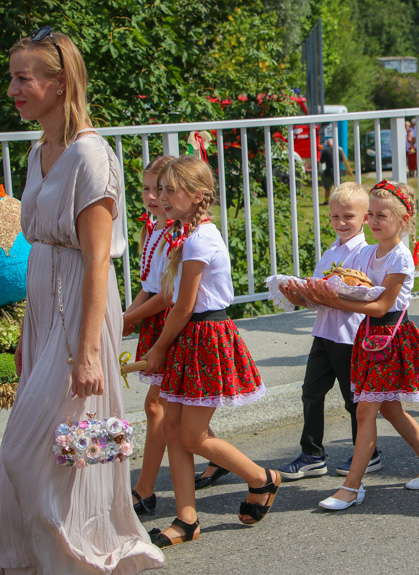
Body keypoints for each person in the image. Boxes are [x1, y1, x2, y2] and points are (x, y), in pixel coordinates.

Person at [0, 27, 165, 572]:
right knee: (52, 452)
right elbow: (40, 254)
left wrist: (91, 351)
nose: (13, 89)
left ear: (59, 81)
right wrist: (28, 334)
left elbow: (96, 261)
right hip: (47, 310)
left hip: (81, 312)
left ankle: (91, 556)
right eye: (12, 77)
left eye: (23, 78)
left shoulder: (91, 156)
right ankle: (53, 559)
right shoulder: (38, 151)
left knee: (46, 452)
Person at [143, 156, 279, 548]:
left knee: (193, 436)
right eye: (161, 189)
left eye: (172, 189)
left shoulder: (200, 238)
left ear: (199, 194)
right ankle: (186, 519)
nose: (163, 197)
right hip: (191, 336)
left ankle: (261, 477)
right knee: (173, 428)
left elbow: (183, 305)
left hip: (205, 335)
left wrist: (157, 348)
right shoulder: (187, 234)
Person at [294, 180, 419, 510]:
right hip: (368, 336)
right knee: (389, 408)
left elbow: (380, 306)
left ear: (403, 221)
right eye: (372, 214)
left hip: (391, 337)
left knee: (365, 412)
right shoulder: (366, 251)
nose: (374, 221)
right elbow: (354, 286)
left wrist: (336, 300)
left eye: (383, 215)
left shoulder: (401, 258)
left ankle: (351, 487)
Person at [277, 182, 383, 479]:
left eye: (348, 216)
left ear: (365, 218)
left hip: (350, 336)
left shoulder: (366, 253)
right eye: (335, 217)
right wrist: (297, 295)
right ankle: (312, 454)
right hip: (324, 332)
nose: (341, 223)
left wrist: (329, 294)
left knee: (354, 399)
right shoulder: (330, 252)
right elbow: (318, 297)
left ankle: (368, 453)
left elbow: (365, 293)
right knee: (311, 391)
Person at [122, 155, 175, 517]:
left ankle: (145, 488)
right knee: (173, 409)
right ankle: (227, 464)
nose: (152, 196)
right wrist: (127, 317)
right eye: (146, 188)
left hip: (172, 322)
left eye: (160, 189)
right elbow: (148, 286)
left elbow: (168, 295)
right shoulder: (151, 228)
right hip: (154, 318)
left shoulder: (176, 233)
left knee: (158, 406)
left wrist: (128, 317)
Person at [320, 137, 335, 205]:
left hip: (328, 172)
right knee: (340, 189)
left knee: (327, 189)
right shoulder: (338, 150)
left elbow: (322, 161)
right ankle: (340, 202)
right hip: (337, 172)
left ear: (327, 144)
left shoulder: (325, 151)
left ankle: (327, 201)